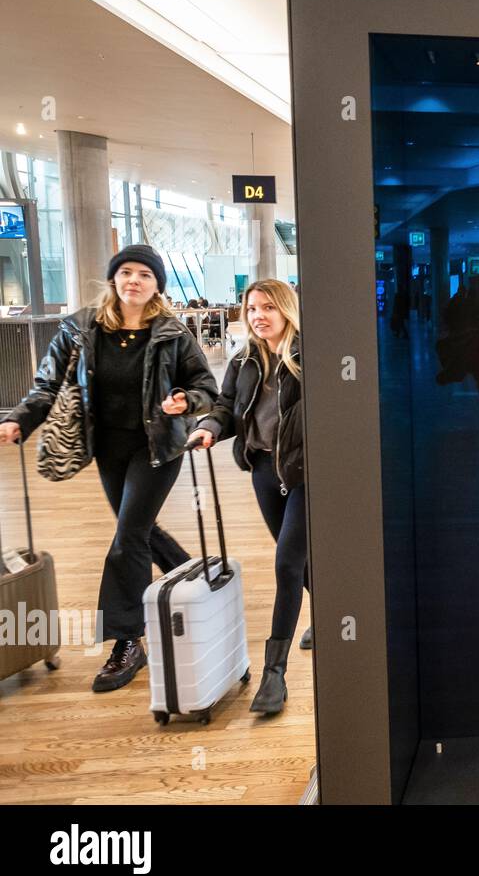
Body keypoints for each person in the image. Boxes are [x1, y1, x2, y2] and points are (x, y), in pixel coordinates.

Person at [0, 245, 217, 692]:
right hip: (108, 448)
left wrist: (185, 402)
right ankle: (191, 573)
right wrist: (19, 418)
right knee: (134, 528)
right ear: (113, 279)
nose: (133, 280)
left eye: (144, 274)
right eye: (125, 272)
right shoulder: (81, 328)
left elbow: (205, 387)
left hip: (157, 448)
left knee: (127, 539)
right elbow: (47, 383)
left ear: (157, 286)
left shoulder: (172, 333)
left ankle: (126, 641)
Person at [188, 279, 307, 715]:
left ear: (286, 310)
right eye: (252, 308)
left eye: (268, 307)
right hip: (262, 468)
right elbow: (225, 407)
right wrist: (209, 428)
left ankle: (275, 673)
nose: (259, 315)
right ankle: (327, 613)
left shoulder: (305, 356)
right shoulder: (244, 361)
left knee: (287, 562)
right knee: (296, 558)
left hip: (303, 472)